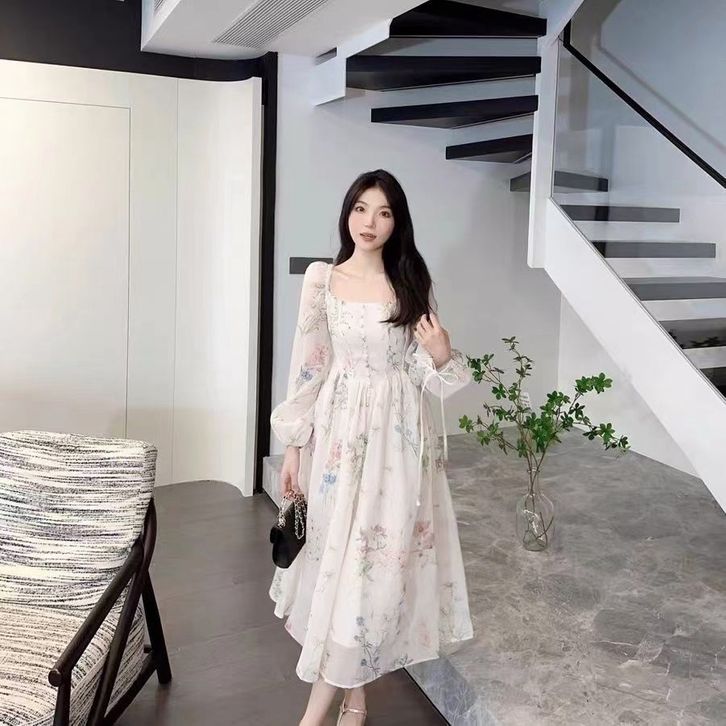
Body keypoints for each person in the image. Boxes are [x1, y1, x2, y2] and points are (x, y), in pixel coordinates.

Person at [269, 169, 474, 726]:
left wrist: (441, 354)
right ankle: (348, 702)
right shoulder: (322, 280)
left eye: (383, 212)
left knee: (373, 574)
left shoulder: (409, 281)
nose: (370, 222)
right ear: (347, 213)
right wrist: (294, 448)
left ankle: (327, 711)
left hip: (398, 446)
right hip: (339, 443)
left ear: (396, 222)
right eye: (361, 208)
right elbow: (310, 367)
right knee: (344, 571)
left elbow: (423, 373)